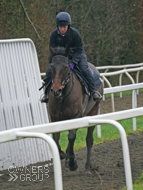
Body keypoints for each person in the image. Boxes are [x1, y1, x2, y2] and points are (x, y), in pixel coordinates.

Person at [41, 12, 102, 103]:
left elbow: (78, 49)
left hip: (77, 54)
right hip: (61, 58)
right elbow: (52, 50)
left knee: (84, 69)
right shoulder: (54, 35)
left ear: (68, 26)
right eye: (60, 27)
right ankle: (46, 94)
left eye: (64, 27)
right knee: (49, 71)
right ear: (57, 26)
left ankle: (93, 91)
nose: (62, 29)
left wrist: (73, 63)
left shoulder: (75, 33)